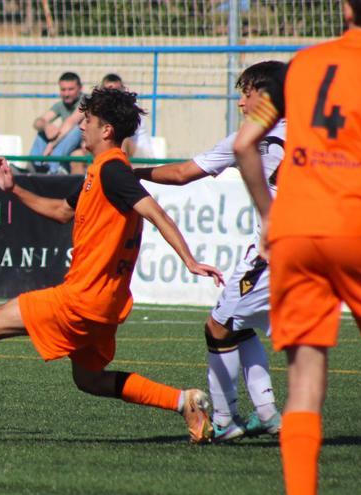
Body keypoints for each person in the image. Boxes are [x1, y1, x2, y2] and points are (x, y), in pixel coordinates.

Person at [0, 87, 224, 443]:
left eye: (87, 121)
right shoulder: (103, 171)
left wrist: (189, 260)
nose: (81, 127)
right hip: (106, 303)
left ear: (107, 130)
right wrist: (13, 189)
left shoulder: (114, 171)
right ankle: (184, 402)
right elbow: (60, 211)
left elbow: (155, 212)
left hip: (82, 300)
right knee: (90, 380)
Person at [232, 1, 361, 493]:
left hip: (295, 233)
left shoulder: (299, 66)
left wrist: (269, 214)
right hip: (357, 226)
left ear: (346, 9)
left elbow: (246, 144)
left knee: (305, 377)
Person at [134, 61, 285, 443]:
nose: (240, 103)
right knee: (237, 324)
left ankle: (224, 419)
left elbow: (184, 173)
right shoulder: (315, 131)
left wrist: (135, 172)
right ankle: (266, 412)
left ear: (264, 96)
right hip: (324, 246)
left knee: (217, 327)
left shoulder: (248, 139)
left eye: (245, 93)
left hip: (278, 247)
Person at [66, 73, 153, 175]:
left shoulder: (126, 107)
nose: (113, 93)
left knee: (121, 139)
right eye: (109, 90)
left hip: (134, 150)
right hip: (109, 147)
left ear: (123, 89)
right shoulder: (99, 107)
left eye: (116, 90)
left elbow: (119, 133)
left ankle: (118, 173)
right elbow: (75, 121)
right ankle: (82, 187)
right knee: (77, 155)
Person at [29, 72, 85, 174]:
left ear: (80, 88)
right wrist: (46, 126)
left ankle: (52, 168)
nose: (66, 94)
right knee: (42, 132)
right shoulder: (61, 105)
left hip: (84, 144)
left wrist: (51, 145)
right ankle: (36, 166)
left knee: (76, 129)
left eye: (70, 89)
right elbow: (37, 122)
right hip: (66, 144)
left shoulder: (86, 101)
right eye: (63, 90)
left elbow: (71, 122)